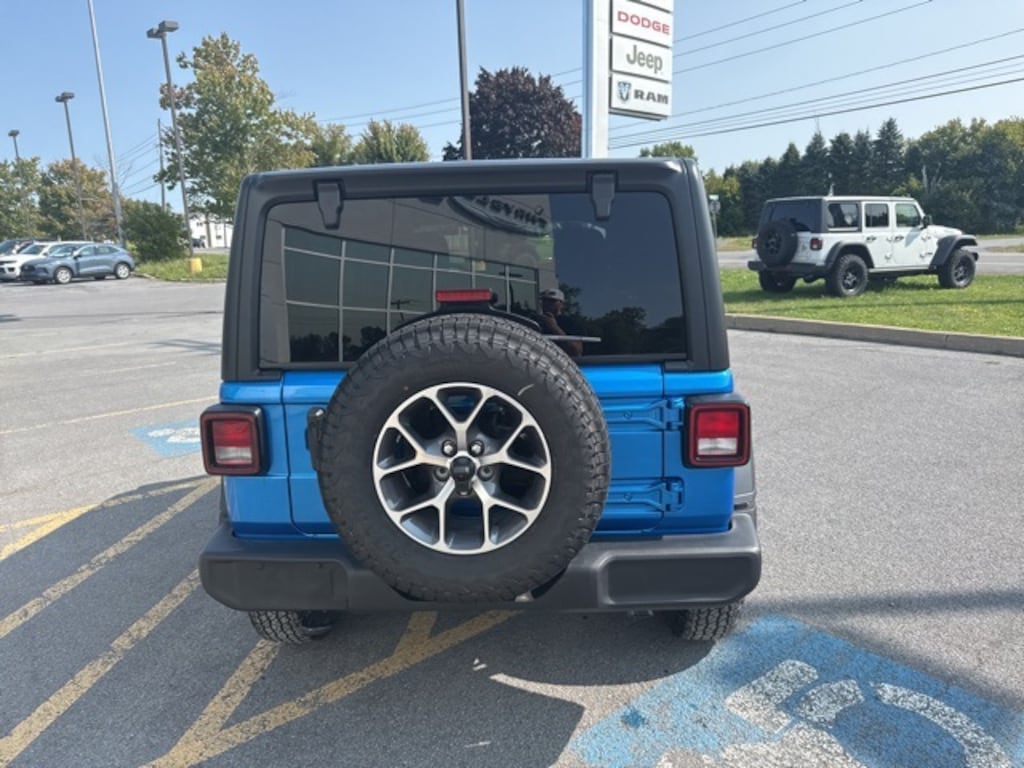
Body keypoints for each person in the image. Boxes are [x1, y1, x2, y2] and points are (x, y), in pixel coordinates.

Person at [538, 288, 583, 358]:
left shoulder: (570, 323)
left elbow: (576, 351)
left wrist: (554, 327)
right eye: (544, 300)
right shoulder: (536, 321)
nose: (546, 304)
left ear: (561, 304)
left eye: (552, 301)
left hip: (562, 364)